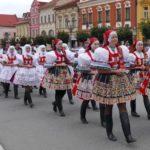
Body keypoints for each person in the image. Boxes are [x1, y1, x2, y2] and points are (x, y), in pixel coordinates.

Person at [92, 30, 136, 143]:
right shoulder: (102, 51)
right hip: (108, 80)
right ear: (108, 39)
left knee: (122, 105)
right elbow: (99, 69)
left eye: (116, 37)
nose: (115, 39)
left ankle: (128, 135)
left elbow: (124, 63)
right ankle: (109, 132)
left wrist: (124, 69)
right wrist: (114, 71)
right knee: (109, 106)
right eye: (113, 37)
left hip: (121, 79)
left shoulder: (121, 49)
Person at [42, 39, 73, 117]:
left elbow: (68, 61)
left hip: (65, 72)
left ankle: (56, 103)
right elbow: (47, 64)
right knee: (58, 91)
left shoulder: (64, 52)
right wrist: (56, 64)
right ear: (55, 45)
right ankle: (60, 109)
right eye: (59, 44)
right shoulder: (52, 54)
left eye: (61, 44)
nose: (61, 45)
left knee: (64, 90)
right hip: (56, 73)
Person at [75, 37, 99, 124]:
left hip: (99, 78)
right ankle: (82, 116)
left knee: (101, 97)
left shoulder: (101, 54)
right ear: (90, 45)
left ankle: (103, 119)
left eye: (98, 44)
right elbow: (80, 68)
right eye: (95, 44)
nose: (97, 46)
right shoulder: (85, 55)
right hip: (88, 78)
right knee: (86, 98)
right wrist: (91, 71)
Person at [129, 40, 150, 119]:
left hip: (143, 76)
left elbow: (147, 65)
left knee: (145, 94)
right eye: (139, 45)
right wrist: (138, 67)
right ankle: (133, 111)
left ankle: (149, 113)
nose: (141, 46)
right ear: (135, 46)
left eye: (141, 45)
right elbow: (129, 66)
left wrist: (146, 67)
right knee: (134, 94)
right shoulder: (132, 55)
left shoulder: (145, 54)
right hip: (135, 76)